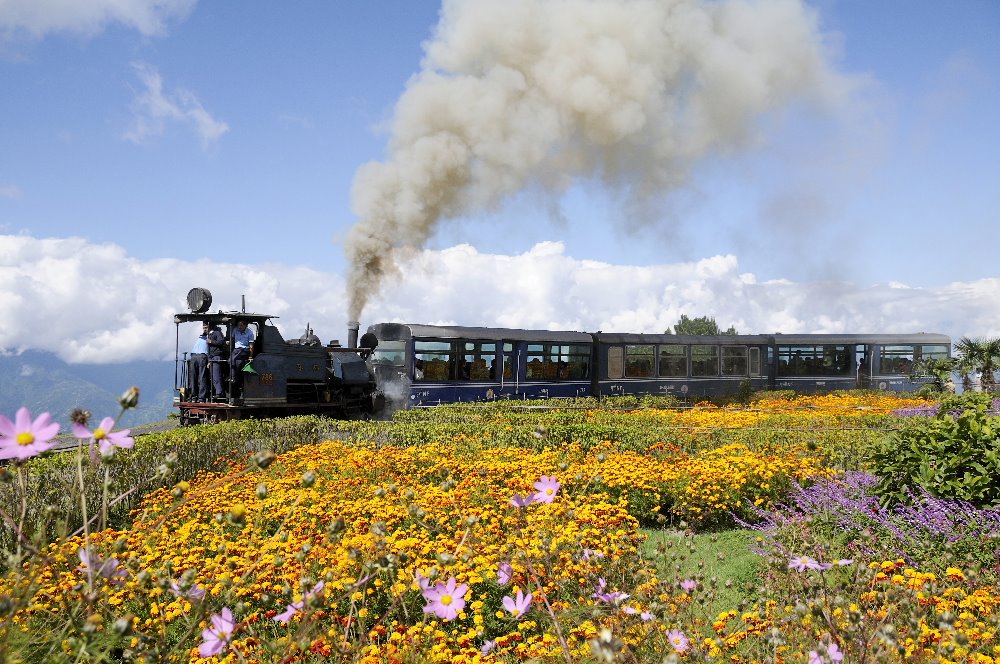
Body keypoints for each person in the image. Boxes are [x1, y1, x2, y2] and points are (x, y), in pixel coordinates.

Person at [231, 319, 255, 395]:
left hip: (244, 350)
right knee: (230, 360)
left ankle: (233, 378)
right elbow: (232, 339)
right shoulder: (235, 330)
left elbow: (251, 346)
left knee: (234, 359)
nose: (239, 327)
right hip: (236, 350)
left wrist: (250, 356)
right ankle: (233, 377)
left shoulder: (250, 333)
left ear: (245, 325)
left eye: (241, 325)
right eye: (239, 325)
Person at [188, 323, 210, 402]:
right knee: (193, 377)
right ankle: (193, 396)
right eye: (204, 327)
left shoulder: (210, 337)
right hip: (194, 355)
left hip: (202, 356)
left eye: (206, 327)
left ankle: (201, 397)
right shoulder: (200, 337)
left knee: (202, 377)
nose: (205, 329)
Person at [206, 322, 227, 398]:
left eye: (206, 327)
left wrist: (212, 341)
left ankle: (219, 392)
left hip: (217, 356)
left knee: (216, 375)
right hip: (212, 358)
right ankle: (216, 391)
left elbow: (221, 341)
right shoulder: (210, 334)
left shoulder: (217, 333)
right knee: (213, 376)